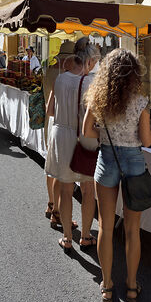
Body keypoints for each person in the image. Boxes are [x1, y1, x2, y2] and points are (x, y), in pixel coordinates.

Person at [83, 49, 151, 302]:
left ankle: (107, 285)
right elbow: (146, 141)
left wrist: (107, 136)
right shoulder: (141, 101)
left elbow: (87, 131)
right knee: (132, 230)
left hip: (107, 159)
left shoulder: (98, 98)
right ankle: (131, 286)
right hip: (133, 161)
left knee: (106, 228)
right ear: (134, 74)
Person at [45, 37, 101, 254]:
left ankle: (67, 237)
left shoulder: (60, 79)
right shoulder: (91, 83)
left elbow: (51, 111)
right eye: (95, 63)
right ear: (88, 62)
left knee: (66, 189)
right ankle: (86, 236)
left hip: (61, 135)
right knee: (88, 190)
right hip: (84, 137)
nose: (95, 67)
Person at [42, 40, 75, 220]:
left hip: (51, 122)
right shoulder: (63, 76)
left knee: (51, 167)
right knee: (60, 171)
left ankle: (51, 204)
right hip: (61, 122)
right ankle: (58, 212)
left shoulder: (50, 71)